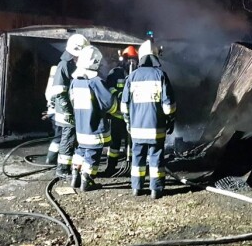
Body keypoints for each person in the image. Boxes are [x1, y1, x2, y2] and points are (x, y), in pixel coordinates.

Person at [121, 39, 176, 199]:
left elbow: (124, 105)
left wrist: (128, 122)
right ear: (156, 56)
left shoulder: (132, 77)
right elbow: (168, 106)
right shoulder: (161, 75)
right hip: (155, 128)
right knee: (156, 158)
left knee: (137, 158)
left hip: (136, 129)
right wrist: (170, 120)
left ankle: (136, 188)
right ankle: (156, 190)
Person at [69, 45, 118, 191]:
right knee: (93, 152)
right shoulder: (95, 81)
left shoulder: (75, 81)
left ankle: (75, 176)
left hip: (81, 124)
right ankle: (87, 180)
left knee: (81, 150)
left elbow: (72, 101)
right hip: (94, 124)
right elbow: (109, 103)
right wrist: (118, 108)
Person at [50, 33, 90, 178]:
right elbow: (60, 91)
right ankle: (62, 169)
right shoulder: (65, 65)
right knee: (68, 138)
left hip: (69, 109)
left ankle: (66, 165)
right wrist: (67, 111)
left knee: (69, 137)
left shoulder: (70, 63)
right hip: (65, 110)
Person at [103, 46, 139, 174]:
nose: (131, 63)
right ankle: (111, 167)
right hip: (117, 115)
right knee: (114, 144)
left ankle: (133, 166)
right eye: (129, 59)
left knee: (133, 142)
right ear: (123, 59)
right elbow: (109, 89)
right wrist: (120, 96)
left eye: (134, 60)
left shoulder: (138, 74)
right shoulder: (115, 73)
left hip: (133, 116)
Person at [42, 65, 61, 165]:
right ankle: (51, 158)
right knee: (59, 136)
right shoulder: (59, 83)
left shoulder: (52, 83)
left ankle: (53, 157)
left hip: (52, 112)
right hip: (57, 113)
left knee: (57, 135)